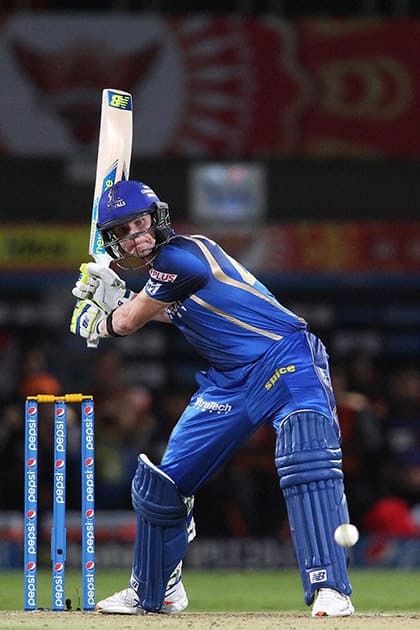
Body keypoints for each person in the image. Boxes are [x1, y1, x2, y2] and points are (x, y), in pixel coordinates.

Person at [70, 180, 355, 617]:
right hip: (229, 381)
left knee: (307, 459)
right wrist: (123, 300)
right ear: (115, 239)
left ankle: (331, 588)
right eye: (124, 230)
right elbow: (166, 310)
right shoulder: (165, 275)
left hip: (284, 357)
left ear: (157, 217)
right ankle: (157, 591)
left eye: (141, 222)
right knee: (164, 484)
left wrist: (101, 321)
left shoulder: (181, 256)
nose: (136, 234)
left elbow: (127, 324)